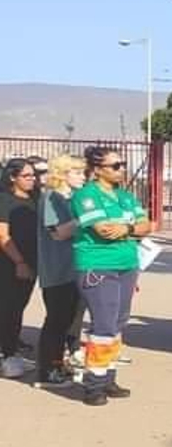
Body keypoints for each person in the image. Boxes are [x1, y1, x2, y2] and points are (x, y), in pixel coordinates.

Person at [70, 146, 152, 406]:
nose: (121, 169)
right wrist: (130, 228)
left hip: (127, 264)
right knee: (103, 324)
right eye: (115, 166)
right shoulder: (86, 195)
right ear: (97, 170)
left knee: (118, 322)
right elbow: (103, 230)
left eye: (122, 164)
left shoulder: (126, 196)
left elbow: (146, 225)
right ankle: (93, 384)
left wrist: (126, 227)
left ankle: (108, 377)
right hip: (98, 265)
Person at [34, 153, 86, 386]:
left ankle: (58, 364)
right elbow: (58, 232)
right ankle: (47, 371)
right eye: (76, 172)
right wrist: (86, 219)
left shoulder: (74, 197)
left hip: (75, 268)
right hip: (57, 270)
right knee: (56, 320)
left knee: (68, 321)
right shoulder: (51, 198)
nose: (82, 176)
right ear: (62, 174)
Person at [0, 157, 41, 379]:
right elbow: (2, 235)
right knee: (9, 309)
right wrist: (20, 262)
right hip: (10, 264)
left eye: (33, 175)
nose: (31, 180)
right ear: (12, 177)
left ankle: (11, 350)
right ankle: (8, 356)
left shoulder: (36, 198)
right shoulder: (4, 200)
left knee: (18, 307)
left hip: (32, 262)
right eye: (26, 176)